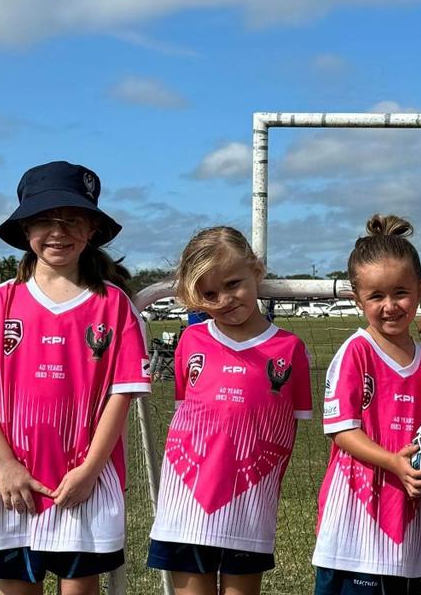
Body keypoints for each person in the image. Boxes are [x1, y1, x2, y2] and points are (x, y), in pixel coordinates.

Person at [0, 161, 151, 595]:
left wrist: (90, 470)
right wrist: (5, 465)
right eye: (45, 219)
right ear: (25, 228)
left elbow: (121, 396)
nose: (58, 231)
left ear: (92, 229)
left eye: (72, 219)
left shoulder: (114, 306)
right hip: (14, 486)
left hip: (83, 483)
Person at [147, 226, 312, 595]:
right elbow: (187, 414)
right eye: (209, 293)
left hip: (249, 505)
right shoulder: (192, 340)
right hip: (185, 505)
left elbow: (288, 432)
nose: (224, 299)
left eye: (233, 283)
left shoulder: (290, 349)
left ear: (257, 270)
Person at [313, 215, 421, 595]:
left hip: (407, 518)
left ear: (420, 290)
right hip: (355, 522)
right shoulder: (355, 352)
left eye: (400, 292)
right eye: (376, 296)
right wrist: (393, 462)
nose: (390, 306)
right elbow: (342, 432)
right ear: (357, 299)